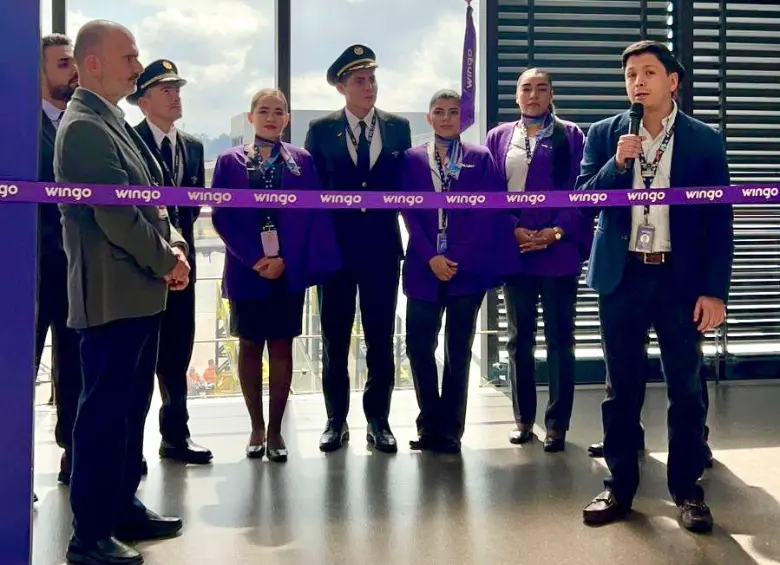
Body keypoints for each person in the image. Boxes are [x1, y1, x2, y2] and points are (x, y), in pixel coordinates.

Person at [576, 40, 733, 533]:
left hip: (679, 280)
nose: (637, 82)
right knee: (620, 388)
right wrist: (617, 167)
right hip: (623, 276)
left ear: (673, 81)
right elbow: (584, 200)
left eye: (648, 72)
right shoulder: (605, 134)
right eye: (630, 75)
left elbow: (718, 219)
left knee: (685, 388)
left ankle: (687, 489)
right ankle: (619, 487)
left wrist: (715, 291)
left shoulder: (705, 139)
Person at [55, 20, 186, 565]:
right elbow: (117, 217)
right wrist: (167, 260)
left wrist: (175, 245)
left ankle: (121, 505)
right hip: (112, 297)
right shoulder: (84, 127)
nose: (138, 67)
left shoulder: (113, 123)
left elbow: (156, 198)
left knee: (130, 409)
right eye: (129, 57)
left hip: (140, 292)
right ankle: (89, 533)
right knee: (104, 415)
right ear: (94, 64)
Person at [212, 88, 340, 463]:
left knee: (282, 346)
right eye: (264, 111)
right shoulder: (230, 161)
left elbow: (312, 216)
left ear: (287, 119)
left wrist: (284, 258)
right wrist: (255, 258)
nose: (272, 117)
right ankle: (255, 425)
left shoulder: (301, 161)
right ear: (251, 117)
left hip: (287, 267)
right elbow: (222, 216)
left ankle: (275, 430)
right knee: (250, 345)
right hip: (247, 268)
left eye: (279, 112)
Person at [305, 45, 412, 453]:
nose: (369, 87)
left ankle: (379, 420)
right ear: (341, 87)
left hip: (383, 250)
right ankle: (336, 420)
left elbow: (408, 185)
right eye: (360, 81)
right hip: (335, 253)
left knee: (381, 338)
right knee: (334, 338)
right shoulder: (320, 129)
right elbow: (312, 193)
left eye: (372, 79)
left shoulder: (398, 127)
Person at [485, 68, 592, 453]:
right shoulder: (498, 137)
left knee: (561, 340)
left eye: (540, 88)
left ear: (551, 95)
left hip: (558, 250)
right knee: (519, 339)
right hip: (516, 250)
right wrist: (512, 229)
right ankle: (523, 418)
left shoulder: (572, 135)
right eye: (525, 89)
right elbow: (490, 191)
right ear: (516, 96)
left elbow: (582, 190)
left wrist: (556, 232)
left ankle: (558, 424)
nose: (532, 95)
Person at [401, 90, 513, 454]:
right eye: (439, 112)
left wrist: (457, 256)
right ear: (429, 117)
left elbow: (488, 213)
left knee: (458, 348)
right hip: (423, 265)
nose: (447, 118)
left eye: (453, 112)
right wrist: (431, 254)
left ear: (462, 118)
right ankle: (429, 422)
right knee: (418, 345)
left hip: (468, 268)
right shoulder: (412, 159)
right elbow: (409, 212)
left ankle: (451, 429)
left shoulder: (479, 158)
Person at [128, 59, 212, 466]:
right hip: (142, 265)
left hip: (185, 266)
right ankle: (132, 447)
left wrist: (179, 254)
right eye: (166, 89)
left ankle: (175, 436)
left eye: (178, 88)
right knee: (141, 358)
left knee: (177, 354)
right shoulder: (130, 140)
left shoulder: (193, 147)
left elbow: (191, 208)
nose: (176, 95)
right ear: (143, 100)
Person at [36, 33, 81, 492]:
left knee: (74, 369)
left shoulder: (81, 123)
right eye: (64, 63)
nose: (74, 71)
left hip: (75, 271)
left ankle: (73, 456)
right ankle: (16, 467)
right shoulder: (15, 125)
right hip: (26, 274)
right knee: (20, 371)